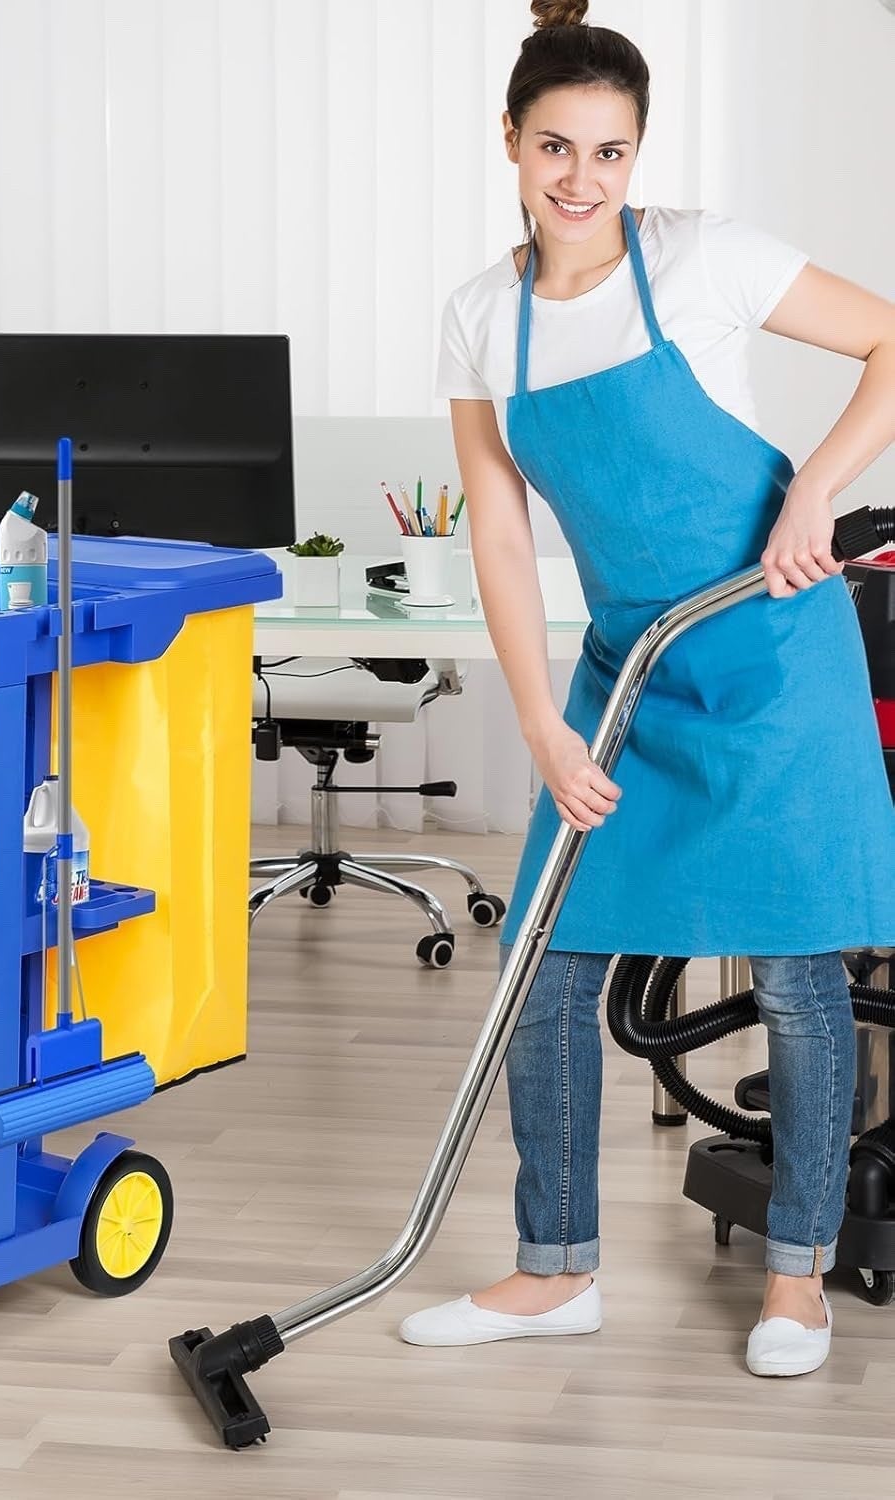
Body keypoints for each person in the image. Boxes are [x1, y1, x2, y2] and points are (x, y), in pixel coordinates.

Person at [399, 0, 895, 1377]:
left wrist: (816, 486)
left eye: (608, 151)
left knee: (794, 977)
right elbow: (499, 529)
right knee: (546, 968)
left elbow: (891, 342)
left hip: (772, 660)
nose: (581, 180)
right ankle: (555, 1268)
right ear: (508, 141)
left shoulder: (705, 260)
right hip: (629, 672)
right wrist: (543, 723)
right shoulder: (482, 320)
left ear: (638, 154)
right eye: (554, 147)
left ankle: (796, 1280)